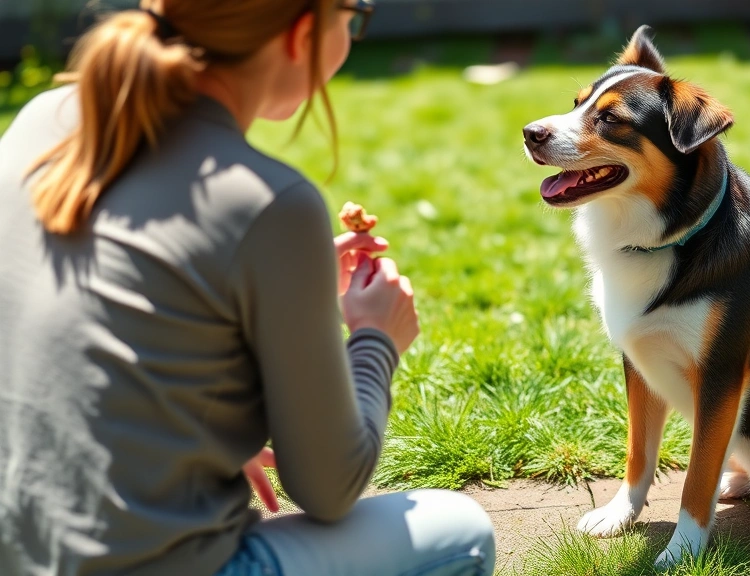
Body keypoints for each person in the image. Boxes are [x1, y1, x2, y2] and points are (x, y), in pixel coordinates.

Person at [0, 1, 496, 575]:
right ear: (303, 31)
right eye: (353, 13)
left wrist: (288, 288)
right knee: (460, 533)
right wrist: (375, 337)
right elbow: (329, 487)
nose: (355, 30)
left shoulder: (43, 116)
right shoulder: (269, 203)